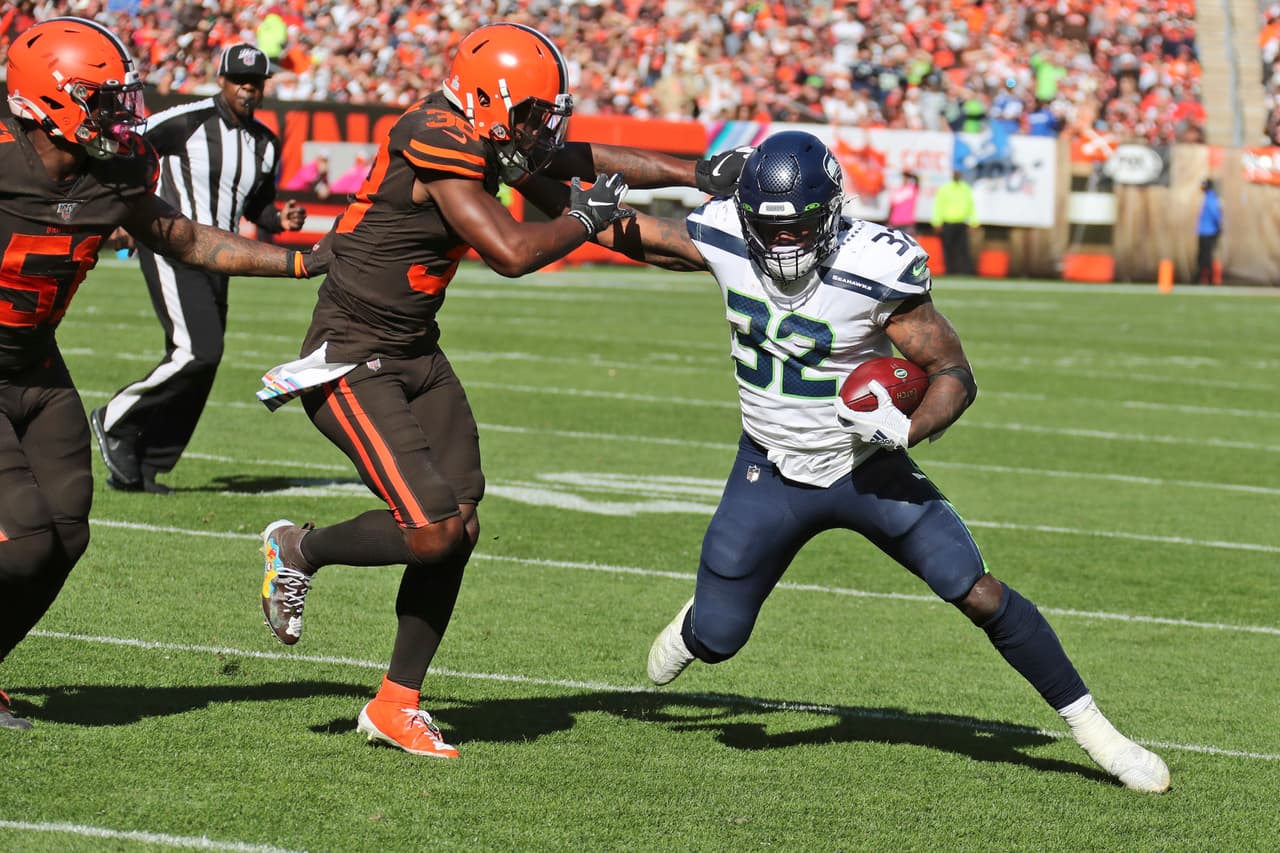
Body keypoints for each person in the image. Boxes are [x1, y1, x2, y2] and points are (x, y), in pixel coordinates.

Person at [540, 130, 1169, 792]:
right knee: (720, 637)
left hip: (868, 466)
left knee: (978, 590)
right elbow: (611, 226)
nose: (782, 245)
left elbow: (952, 369)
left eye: (798, 229)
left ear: (831, 214)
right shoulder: (725, 233)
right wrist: (532, 174)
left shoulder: (874, 264)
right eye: (769, 229)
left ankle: (1098, 732)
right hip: (770, 469)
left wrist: (908, 427)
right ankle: (697, 626)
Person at [252, 21, 750, 759]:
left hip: (414, 352)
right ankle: (299, 549)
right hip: (351, 356)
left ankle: (396, 703)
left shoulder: (489, 137)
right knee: (431, 528)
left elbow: (589, 175)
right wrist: (586, 214)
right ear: (489, 100)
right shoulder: (436, 134)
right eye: (530, 115)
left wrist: (711, 225)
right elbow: (514, 251)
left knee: (461, 525)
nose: (540, 131)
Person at [0, 17, 325, 731]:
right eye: (102, 100)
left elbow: (186, 237)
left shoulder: (113, 171)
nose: (119, 116)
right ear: (46, 101)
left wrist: (299, 258)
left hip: (34, 361)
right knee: (22, 538)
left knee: (67, 529)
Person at [90, 43, 308, 494]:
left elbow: (257, 205)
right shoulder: (187, 120)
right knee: (196, 351)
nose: (247, 90)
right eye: (238, 81)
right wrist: (128, 213)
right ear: (222, 81)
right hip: (172, 244)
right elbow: (126, 146)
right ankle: (114, 419)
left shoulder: (265, 144)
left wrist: (277, 220)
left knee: (205, 363)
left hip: (221, 257)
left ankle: (145, 464)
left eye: (255, 83)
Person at [931, 171, 978, 276]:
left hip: (961, 223)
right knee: (948, 248)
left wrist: (973, 222)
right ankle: (949, 270)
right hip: (948, 223)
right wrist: (937, 222)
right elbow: (939, 205)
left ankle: (966, 271)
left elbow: (971, 206)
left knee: (963, 248)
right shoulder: (945, 189)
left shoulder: (965, 188)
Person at [1194, 178, 1222, 285]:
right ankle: (1201, 277)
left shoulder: (1211, 197)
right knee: (1202, 255)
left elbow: (1215, 213)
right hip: (1204, 231)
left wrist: (1218, 227)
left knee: (1206, 256)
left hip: (1208, 232)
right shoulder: (1208, 197)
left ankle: (1208, 278)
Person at [885, 171, 920, 236]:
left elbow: (918, 181)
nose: (904, 179)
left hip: (907, 223)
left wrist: (910, 174)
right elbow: (891, 207)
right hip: (894, 222)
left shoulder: (912, 189)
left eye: (906, 178)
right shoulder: (897, 191)